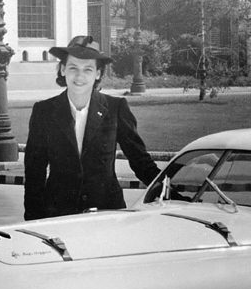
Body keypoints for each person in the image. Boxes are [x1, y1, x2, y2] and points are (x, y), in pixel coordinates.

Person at [24, 35, 161, 220]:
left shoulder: (115, 108)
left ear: (97, 73)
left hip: (107, 214)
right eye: (73, 68)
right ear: (63, 69)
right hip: (58, 215)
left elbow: (140, 161)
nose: (80, 76)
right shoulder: (44, 111)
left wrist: (170, 193)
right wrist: (33, 219)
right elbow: (34, 171)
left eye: (88, 69)